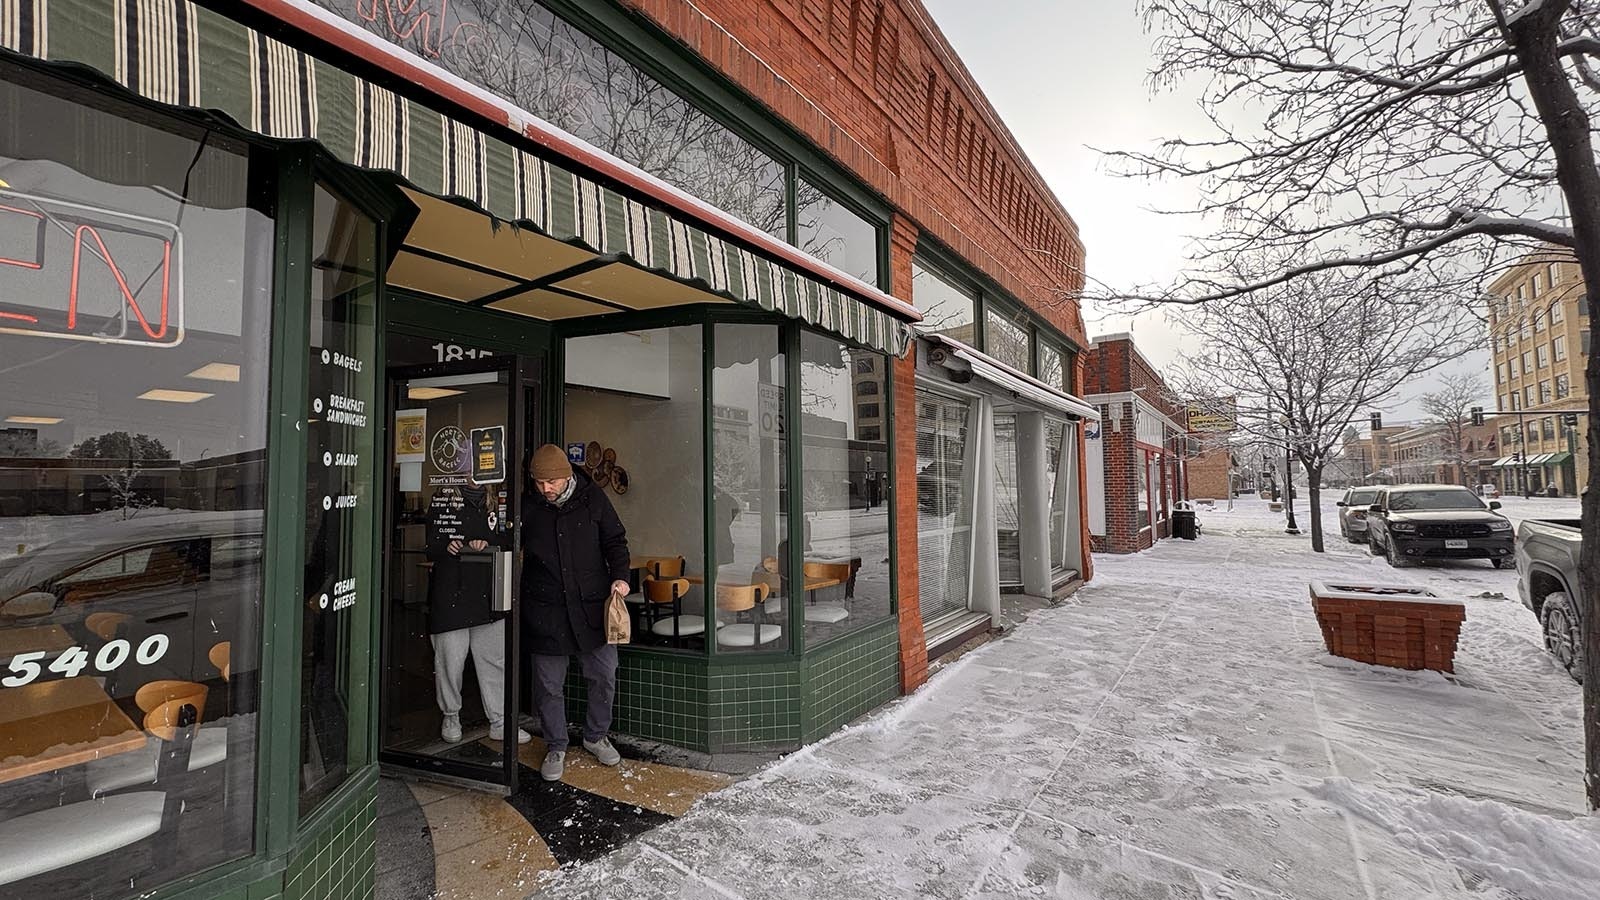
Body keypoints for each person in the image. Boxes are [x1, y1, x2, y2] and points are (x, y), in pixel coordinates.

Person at [521, 444, 631, 781]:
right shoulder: (528, 506)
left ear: (566, 476)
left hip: (592, 607)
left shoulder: (593, 499)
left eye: (551, 482)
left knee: (604, 675)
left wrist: (620, 578)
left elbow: (616, 541)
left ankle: (596, 736)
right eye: (540, 483)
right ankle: (556, 744)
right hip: (546, 609)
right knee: (548, 685)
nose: (546, 489)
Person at [425, 482, 529, 745]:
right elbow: (431, 543)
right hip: (451, 591)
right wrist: (446, 545)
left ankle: (499, 721)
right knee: (450, 660)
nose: (475, 473)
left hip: (488, 590)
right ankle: (450, 715)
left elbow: (512, 540)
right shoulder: (443, 498)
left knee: (493, 660)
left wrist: (488, 541)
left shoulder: (500, 501)